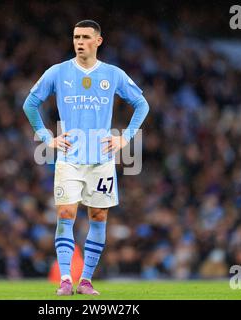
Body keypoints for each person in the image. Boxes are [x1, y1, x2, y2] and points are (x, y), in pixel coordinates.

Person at [23, 20, 149, 295]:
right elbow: (30, 104)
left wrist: (125, 137)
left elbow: (142, 104)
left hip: (101, 160)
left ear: (98, 41)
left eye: (85, 37)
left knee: (98, 217)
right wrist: (46, 137)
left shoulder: (113, 74)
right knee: (66, 213)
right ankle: (66, 279)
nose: (79, 41)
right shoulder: (58, 72)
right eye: (76, 37)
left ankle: (86, 280)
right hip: (69, 159)